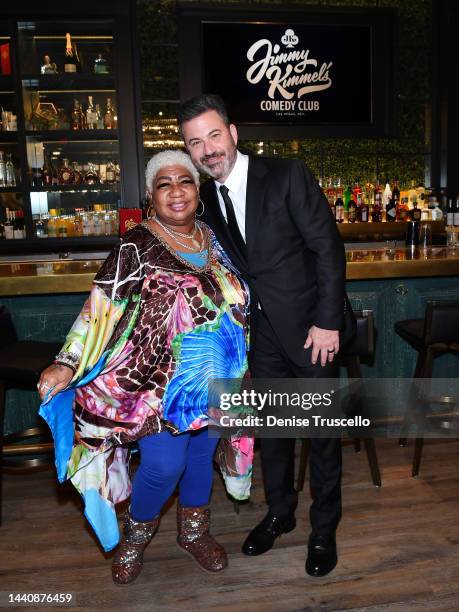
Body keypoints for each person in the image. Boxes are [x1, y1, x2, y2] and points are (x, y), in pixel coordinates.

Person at [38, 149, 253, 585]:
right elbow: (100, 308)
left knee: (200, 456)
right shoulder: (134, 246)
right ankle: (135, 539)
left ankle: (194, 533)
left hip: (217, 376)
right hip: (156, 386)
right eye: (164, 184)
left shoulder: (215, 238)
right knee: (164, 465)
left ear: (199, 190)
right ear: (151, 197)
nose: (177, 191)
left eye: (185, 181)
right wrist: (66, 362)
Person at [177, 94, 348, 577]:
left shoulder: (287, 173)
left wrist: (328, 320)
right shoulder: (205, 198)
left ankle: (324, 527)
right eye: (196, 143)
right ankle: (280, 512)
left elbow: (327, 249)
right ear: (189, 152)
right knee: (273, 430)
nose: (208, 149)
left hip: (311, 328)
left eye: (213, 135)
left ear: (232, 133)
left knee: (322, 432)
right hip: (259, 333)